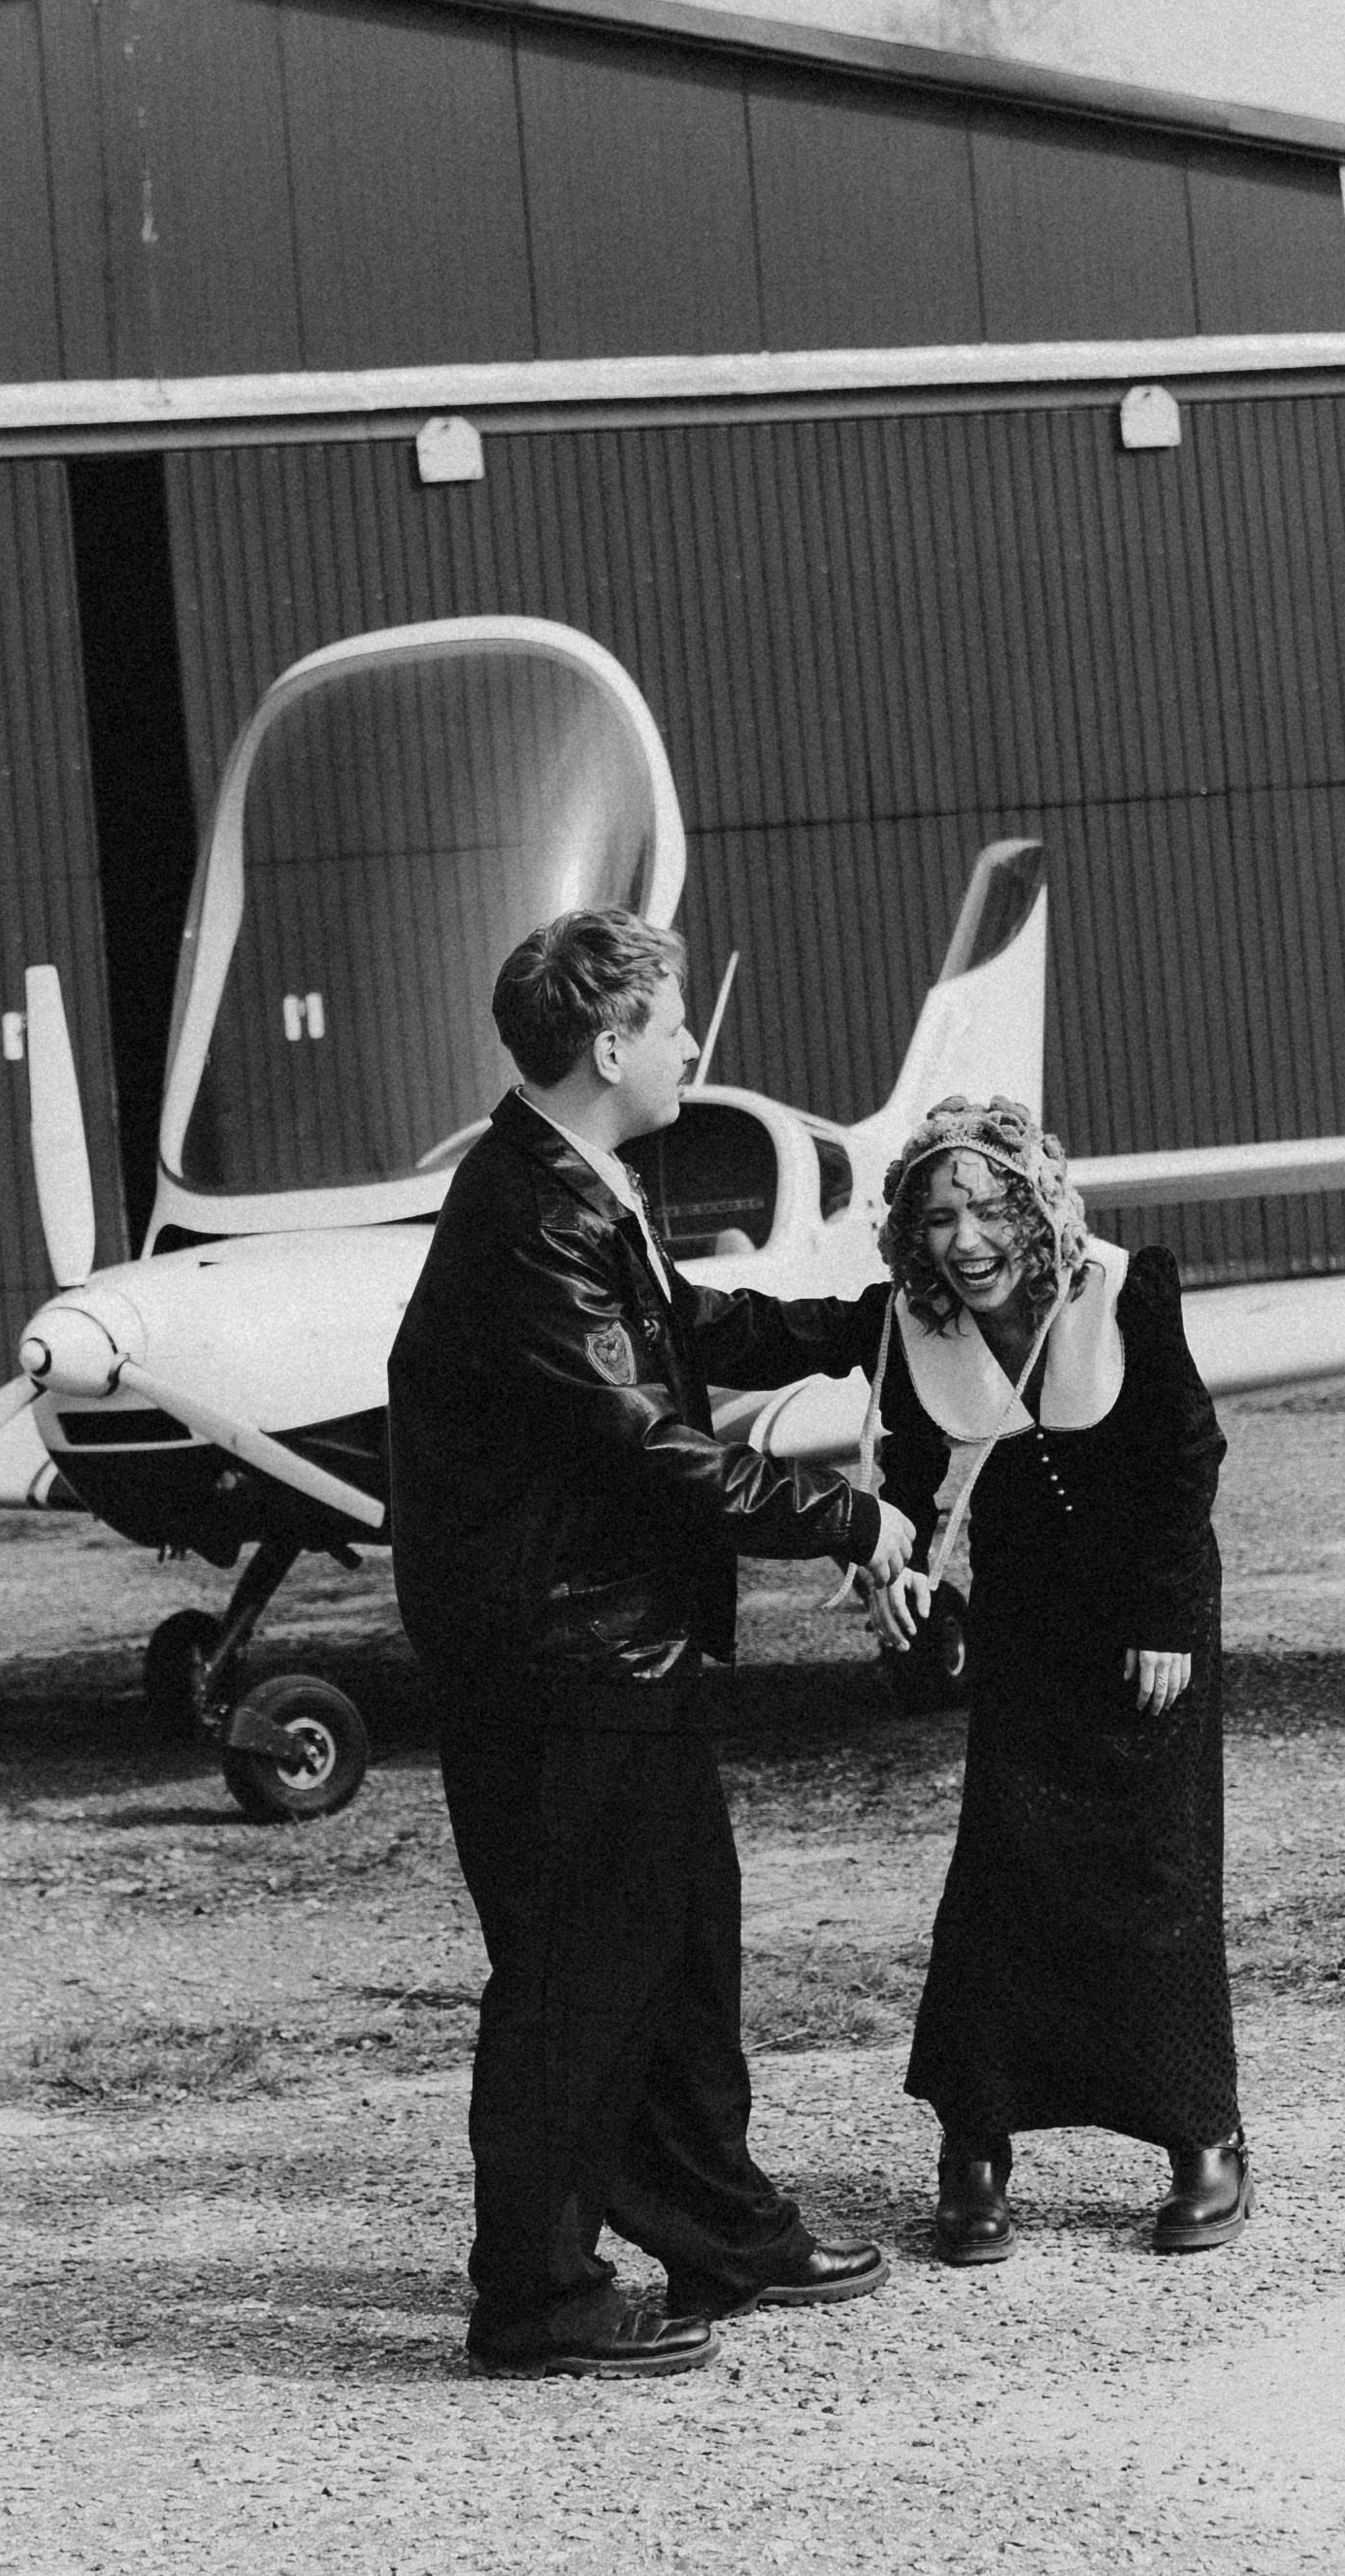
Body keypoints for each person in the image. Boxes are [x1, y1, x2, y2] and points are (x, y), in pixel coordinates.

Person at [388, 908, 914, 2380]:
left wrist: (851, 1325)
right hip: (562, 1666)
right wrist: (847, 1518)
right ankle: (535, 2298)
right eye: (674, 1021)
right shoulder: (530, 1216)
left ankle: (720, 2229)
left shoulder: (572, 1178)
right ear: (610, 1045)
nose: (693, 1043)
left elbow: (678, 1331)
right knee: (576, 1981)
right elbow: (642, 1446)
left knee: (678, 1952)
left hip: (621, 1648)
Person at [858, 1094, 1249, 2262]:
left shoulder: (1122, 1289)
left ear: (1032, 1209)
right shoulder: (914, 1321)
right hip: (1025, 1626)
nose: (963, 1239)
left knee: (1158, 1874)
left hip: (1144, 1620)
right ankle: (973, 2149)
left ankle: (1204, 2137)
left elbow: (1187, 1453)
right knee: (1000, 1878)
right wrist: (894, 1560)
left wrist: (1164, 1617)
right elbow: (909, 1468)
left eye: (986, 1209)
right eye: (937, 1217)